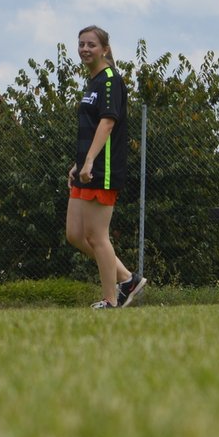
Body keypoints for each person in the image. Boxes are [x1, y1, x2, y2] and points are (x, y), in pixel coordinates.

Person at [66, 25, 146, 310]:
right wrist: (78, 163)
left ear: (105, 49)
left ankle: (111, 300)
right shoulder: (93, 81)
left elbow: (107, 123)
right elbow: (91, 127)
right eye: (81, 44)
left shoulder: (111, 80)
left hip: (103, 169)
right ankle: (127, 279)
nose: (85, 49)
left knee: (97, 236)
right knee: (75, 234)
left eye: (91, 45)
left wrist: (89, 162)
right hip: (86, 168)